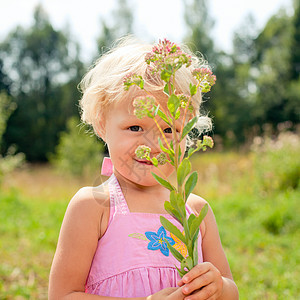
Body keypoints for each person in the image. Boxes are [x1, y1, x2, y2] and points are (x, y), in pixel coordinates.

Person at [48, 36, 239, 300]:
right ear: (102, 125)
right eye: (135, 127)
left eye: (170, 128)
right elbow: (63, 295)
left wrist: (220, 287)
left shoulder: (197, 211)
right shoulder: (93, 206)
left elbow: (231, 290)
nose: (152, 144)